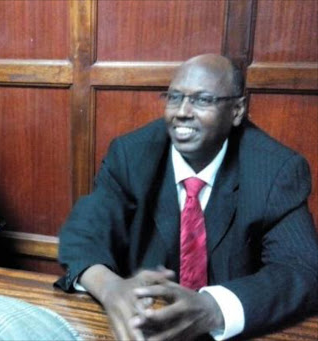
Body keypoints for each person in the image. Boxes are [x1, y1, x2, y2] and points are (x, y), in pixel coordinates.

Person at [56, 54, 318, 340]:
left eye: (202, 100)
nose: (182, 111)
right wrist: (110, 288)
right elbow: (83, 235)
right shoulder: (131, 155)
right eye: (174, 97)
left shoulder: (275, 169)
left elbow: (302, 270)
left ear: (237, 110)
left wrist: (214, 308)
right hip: (144, 329)